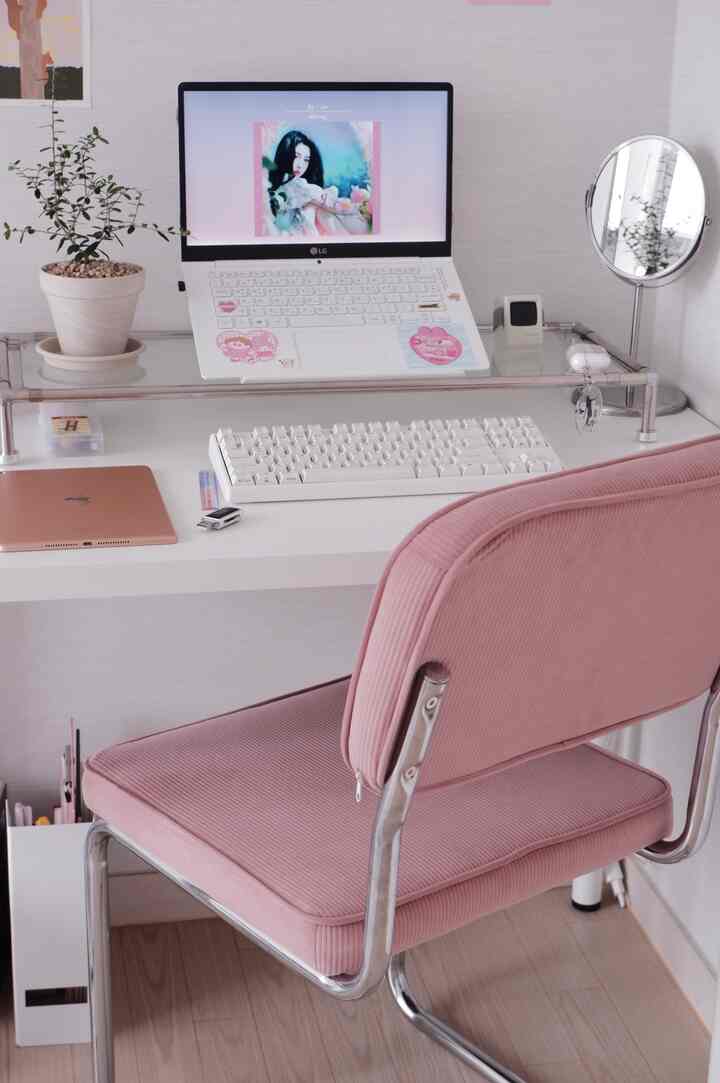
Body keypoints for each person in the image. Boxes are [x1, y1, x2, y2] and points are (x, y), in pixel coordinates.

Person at [267, 130, 370, 236]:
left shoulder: (301, 187)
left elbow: (333, 204)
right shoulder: (284, 187)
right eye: (296, 157)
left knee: (320, 211)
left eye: (306, 160)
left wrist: (360, 208)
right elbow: (334, 205)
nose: (300, 165)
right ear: (285, 154)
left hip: (297, 239)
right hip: (287, 240)